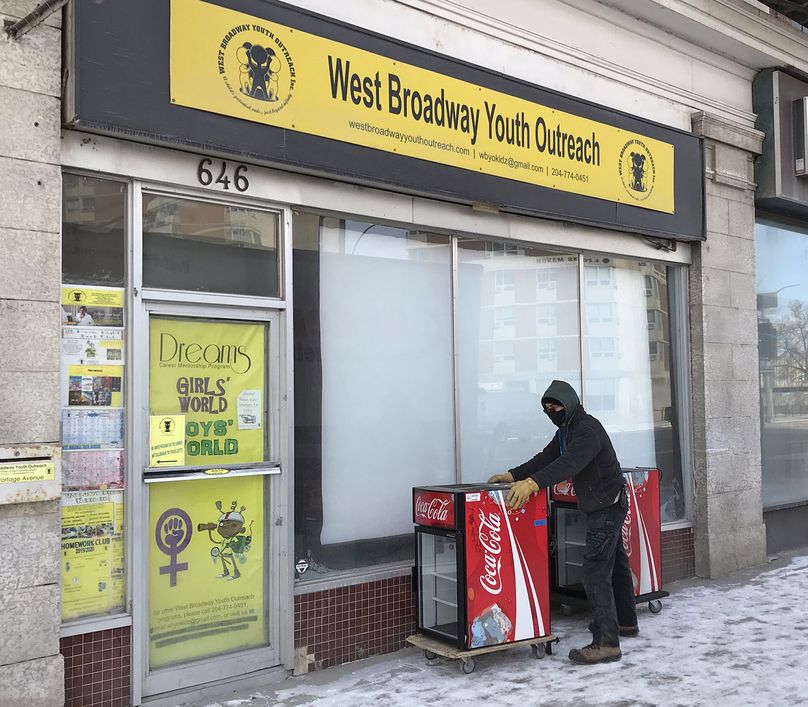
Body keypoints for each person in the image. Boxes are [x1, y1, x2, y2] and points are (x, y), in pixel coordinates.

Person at [487, 379, 637, 665]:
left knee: (595, 572)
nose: (551, 411)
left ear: (569, 403)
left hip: (607, 506)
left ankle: (606, 643)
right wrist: (514, 475)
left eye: (555, 405)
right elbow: (546, 458)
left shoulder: (587, 429)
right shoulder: (566, 430)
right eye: (547, 407)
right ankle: (626, 622)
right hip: (605, 503)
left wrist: (533, 484)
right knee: (615, 565)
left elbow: (569, 463)